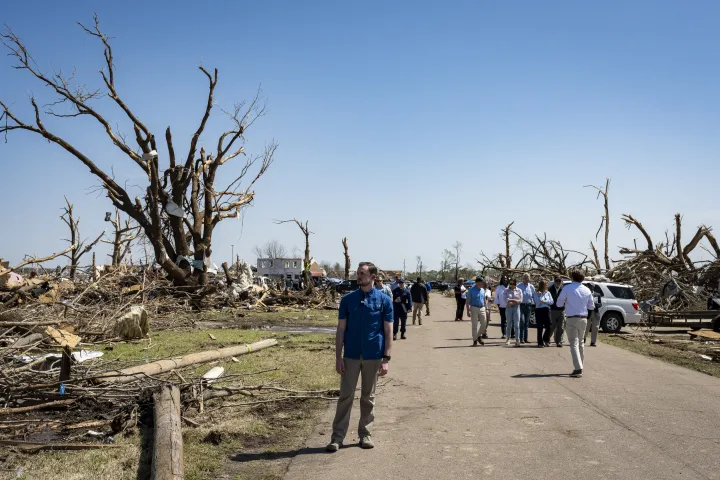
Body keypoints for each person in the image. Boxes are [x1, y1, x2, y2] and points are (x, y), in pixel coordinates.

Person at [326, 262, 393, 452]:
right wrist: (338, 356)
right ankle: (337, 437)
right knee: (345, 397)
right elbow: (341, 330)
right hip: (352, 355)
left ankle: (366, 434)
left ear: (373, 277)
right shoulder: (348, 300)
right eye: (358, 273)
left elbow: (388, 332)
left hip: (373, 355)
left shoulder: (383, 301)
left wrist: (386, 359)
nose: (359, 276)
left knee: (368, 397)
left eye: (362, 273)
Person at [556, 270, 594, 377]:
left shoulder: (567, 288)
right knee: (581, 342)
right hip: (584, 318)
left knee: (573, 343)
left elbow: (559, 303)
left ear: (572, 278)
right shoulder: (587, 290)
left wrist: (567, 302)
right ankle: (580, 366)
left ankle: (578, 369)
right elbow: (591, 306)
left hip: (572, 317)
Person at [465, 277, 487, 346]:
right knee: (474, 325)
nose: (482, 284)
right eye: (481, 283)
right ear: (477, 283)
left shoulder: (483, 290)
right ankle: (475, 340)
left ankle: (478, 336)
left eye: (482, 283)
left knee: (484, 324)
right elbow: (468, 301)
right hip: (474, 308)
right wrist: (468, 310)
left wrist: (486, 309)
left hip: (482, 308)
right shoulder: (471, 290)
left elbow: (484, 300)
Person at [533, 280, 554, 347]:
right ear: (542, 285)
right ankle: (540, 342)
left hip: (546, 310)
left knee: (549, 326)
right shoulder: (536, 293)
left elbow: (551, 302)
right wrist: (540, 296)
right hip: (539, 310)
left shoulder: (548, 293)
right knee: (540, 327)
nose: (547, 286)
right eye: (545, 285)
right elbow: (538, 302)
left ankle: (545, 339)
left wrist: (544, 301)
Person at [517, 273, 536, 344]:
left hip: (529, 305)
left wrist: (537, 303)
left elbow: (534, 296)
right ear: (523, 279)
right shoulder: (519, 286)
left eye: (528, 279)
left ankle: (526, 338)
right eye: (526, 279)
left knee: (526, 323)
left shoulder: (531, 287)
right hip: (521, 305)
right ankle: (521, 338)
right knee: (522, 321)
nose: (527, 280)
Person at [504, 278, 523, 346]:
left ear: (515, 284)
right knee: (509, 323)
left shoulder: (519, 290)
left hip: (516, 308)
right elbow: (506, 300)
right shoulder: (506, 290)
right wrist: (514, 300)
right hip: (509, 308)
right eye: (510, 284)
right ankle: (508, 338)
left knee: (517, 324)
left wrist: (512, 301)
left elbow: (520, 300)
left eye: (513, 284)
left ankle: (517, 339)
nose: (512, 285)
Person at [548, 276, 566, 347]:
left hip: (561, 310)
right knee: (552, 326)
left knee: (561, 327)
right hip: (553, 310)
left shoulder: (563, 290)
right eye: (557, 281)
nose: (558, 282)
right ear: (554, 281)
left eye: (559, 281)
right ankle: (547, 339)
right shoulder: (550, 289)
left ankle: (559, 341)